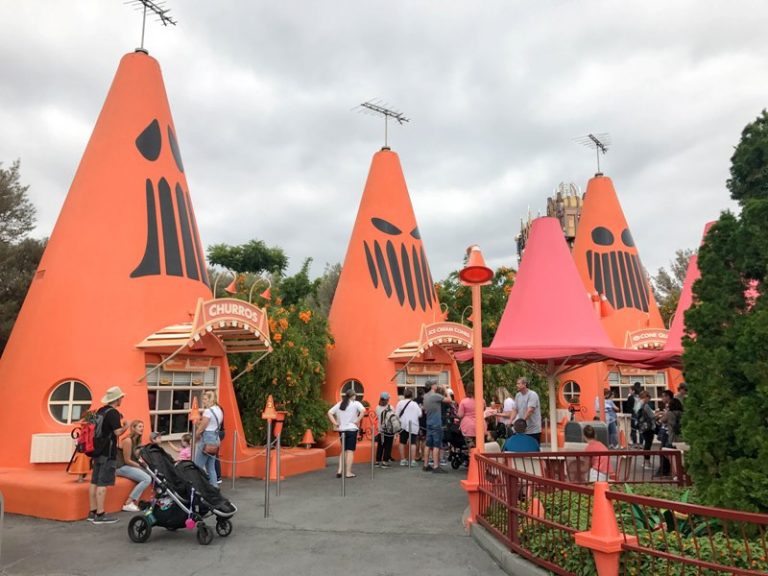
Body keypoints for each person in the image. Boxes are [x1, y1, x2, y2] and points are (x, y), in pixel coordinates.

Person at [88, 386, 129, 524]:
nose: (122, 399)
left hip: (96, 450)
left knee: (94, 481)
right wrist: (126, 426)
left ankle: (92, 511)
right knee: (103, 483)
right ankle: (100, 514)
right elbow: (117, 432)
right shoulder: (113, 413)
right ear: (117, 399)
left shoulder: (100, 410)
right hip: (107, 451)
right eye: (121, 397)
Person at [115, 420, 152, 512]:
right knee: (147, 479)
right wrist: (140, 466)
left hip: (129, 465)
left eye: (143, 426)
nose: (142, 428)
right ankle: (128, 503)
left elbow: (136, 458)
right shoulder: (128, 441)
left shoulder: (137, 441)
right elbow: (127, 460)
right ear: (133, 428)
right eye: (139, 426)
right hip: (120, 467)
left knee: (151, 473)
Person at [327, 389, 365, 478]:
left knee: (343, 450)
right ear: (353, 396)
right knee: (350, 451)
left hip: (342, 430)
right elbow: (363, 411)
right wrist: (357, 421)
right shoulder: (356, 403)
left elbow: (329, 412)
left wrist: (335, 423)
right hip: (352, 429)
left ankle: (339, 470)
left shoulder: (340, 403)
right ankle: (348, 472)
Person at [194, 390, 224, 486]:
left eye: (205, 399)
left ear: (211, 399)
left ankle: (197, 486)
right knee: (211, 466)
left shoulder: (208, 411)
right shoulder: (219, 409)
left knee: (197, 465)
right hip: (215, 437)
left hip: (207, 437)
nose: (203, 401)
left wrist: (196, 435)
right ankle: (214, 487)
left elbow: (203, 426)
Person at [422, 381, 450, 473]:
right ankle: (435, 466)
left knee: (428, 444)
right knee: (436, 445)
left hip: (428, 422)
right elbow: (449, 400)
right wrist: (445, 389)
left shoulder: (425, 396)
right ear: (432, 386)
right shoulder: (436, 396)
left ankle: (425, 465)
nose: (437, 386)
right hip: (436, 423)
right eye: (435, 384)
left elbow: (425, 409)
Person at [509, 377, 542, 444]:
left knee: (533, 451)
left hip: (533, 430)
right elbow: (515, 409)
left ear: (524, 384)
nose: (516, 385)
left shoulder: (532, 395)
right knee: (523, 450)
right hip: (523, 429)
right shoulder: (518, 395)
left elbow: (530, 410)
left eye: (518, 384)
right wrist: (510, 421)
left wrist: (521, 423)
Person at [395, 389, 422, 466]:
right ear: (412, 395)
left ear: (404, 395)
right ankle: (413, 461)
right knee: (413, 443)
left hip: (403, 424)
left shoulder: (400, 403)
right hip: (413, 425)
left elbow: (396, 414)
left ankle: (403, 460)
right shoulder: (415, 404)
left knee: (402, 442)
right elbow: (420, 414)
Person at [375, 392, 394, 467]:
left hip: (381, 429)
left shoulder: (377, 407)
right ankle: (385, 461)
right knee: (388, 446)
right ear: (387, 399)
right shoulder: (390, 407)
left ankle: (377, 460)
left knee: (381, 445)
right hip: (389, 429)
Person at [637, 391, 657, 466]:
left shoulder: (638, 404)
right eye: (648, 398)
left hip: (642, 426)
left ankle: (645, 461)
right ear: (646, 397)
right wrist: (658, 414)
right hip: (648, 427)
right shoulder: (646, 406)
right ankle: (647, 462)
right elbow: (652, 416)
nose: (649, 399)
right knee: (648, 444)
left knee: (646, 444)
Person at [624, 382, 642, 448]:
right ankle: (641, 444)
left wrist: (628, 414)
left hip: (633, 415)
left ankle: (635, 443)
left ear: (633, 391)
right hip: (640, 415)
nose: (629, 391)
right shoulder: (640, 397)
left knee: (633, 430)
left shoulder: (631, 397)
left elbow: (628, 407)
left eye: (630, 390)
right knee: (640, 430)